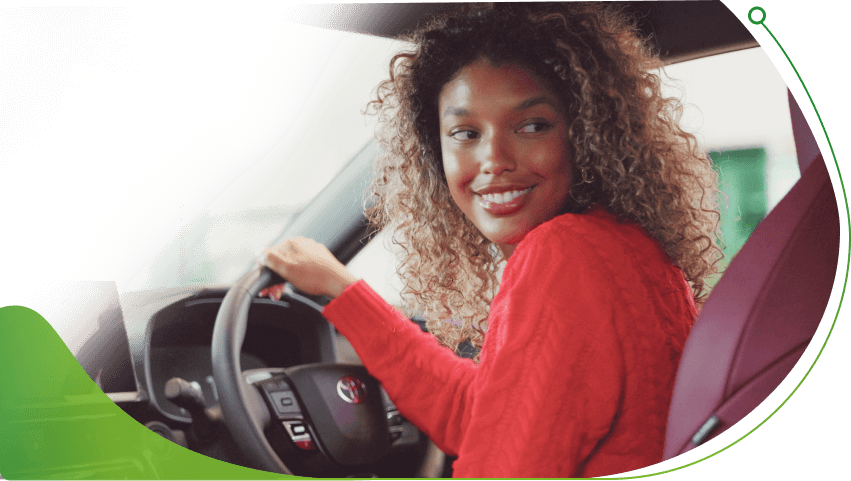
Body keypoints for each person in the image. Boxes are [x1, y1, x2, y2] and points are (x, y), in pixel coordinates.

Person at [259, 3, 721, 477]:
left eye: (532, 126)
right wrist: (342, 289)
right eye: (465, 133)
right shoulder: (626, 247)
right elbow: (482, 414)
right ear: (436, 152)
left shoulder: (565, 256)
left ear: (585, 134)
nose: (494, 158)